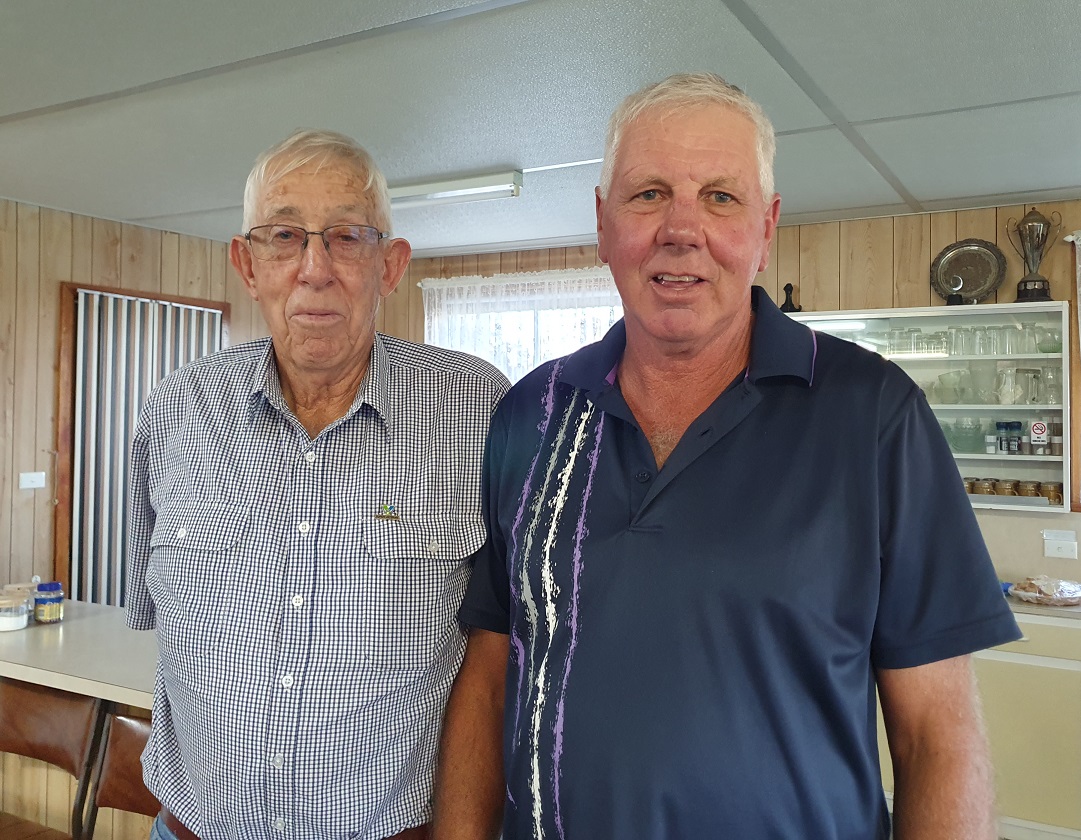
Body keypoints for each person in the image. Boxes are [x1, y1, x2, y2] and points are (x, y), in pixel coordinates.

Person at [432, 73, 1020, 840]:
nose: (681, 228)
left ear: (764, 226)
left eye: (719, 196)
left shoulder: (873, 414)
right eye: (647, 194)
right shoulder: (530, 414)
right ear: (602, 222)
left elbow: (937, 735)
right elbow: (489, 676)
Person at [126, 129, 509, 840]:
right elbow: (154, 619)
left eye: (345, 237)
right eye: (283, 236)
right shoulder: (176, 408)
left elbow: (498, 656)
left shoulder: (480, 409)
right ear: (247, 263)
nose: (314, 268)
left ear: (389, 265)